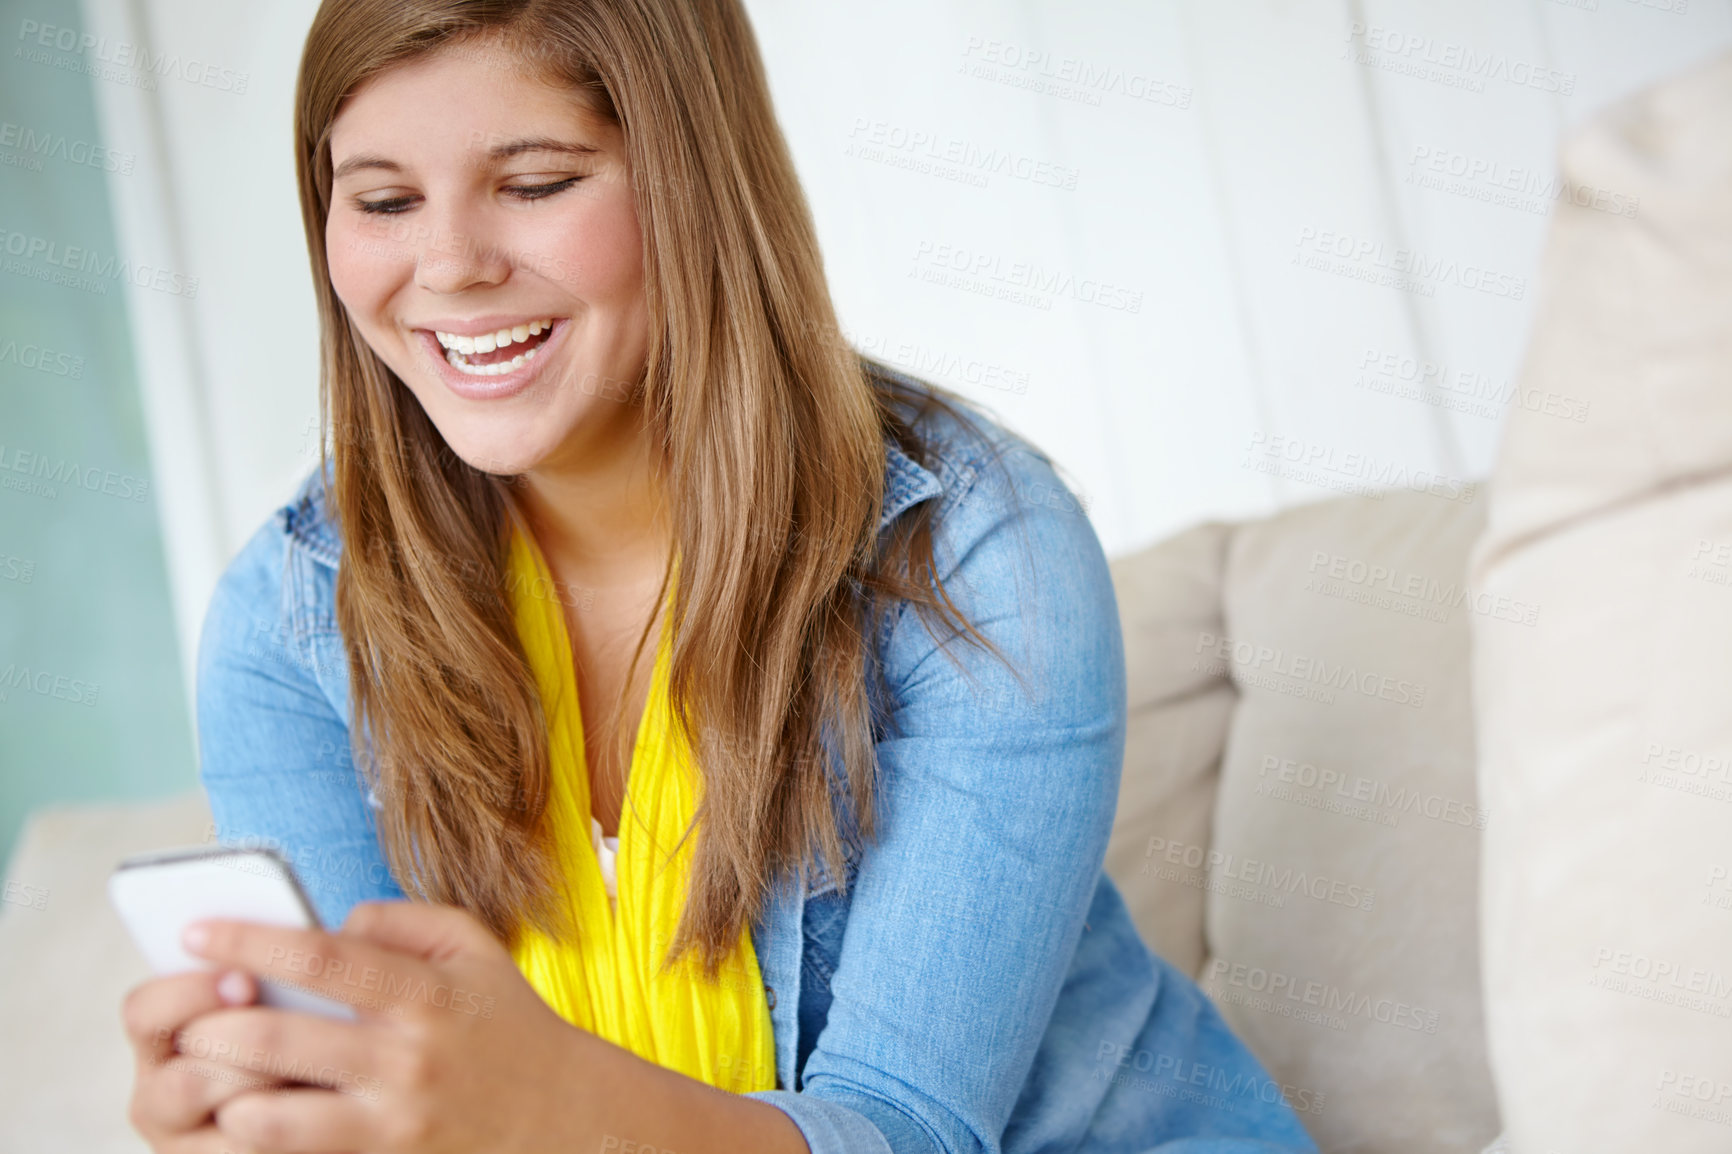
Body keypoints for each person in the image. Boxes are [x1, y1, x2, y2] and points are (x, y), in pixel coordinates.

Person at [120, 2, 1318, 1151]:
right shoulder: (287, 621)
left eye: (535, 184)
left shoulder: (977, 546)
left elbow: (910, 1131)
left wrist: (547, 1113)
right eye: (382, 200)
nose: (446, 264)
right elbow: (387, 1097)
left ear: (691, 184)